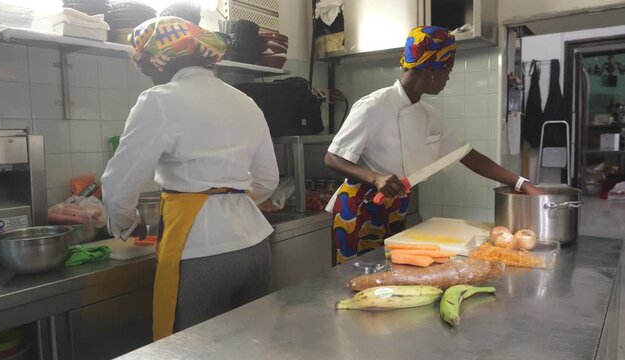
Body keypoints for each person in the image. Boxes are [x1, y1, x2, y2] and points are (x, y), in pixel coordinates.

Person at [101, 17, 279, 340]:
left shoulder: (158, 101)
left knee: (192, 349)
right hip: (255, 246)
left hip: (200, 252)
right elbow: (268, 179)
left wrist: (126, 224)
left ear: (160, 63)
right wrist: (231, 204)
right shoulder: (247, 103)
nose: (149, 78)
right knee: (250, 347)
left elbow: (117, 187)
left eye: (147, 70)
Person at [324, 26, 543, 265]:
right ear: (429, 69)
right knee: (353, 277)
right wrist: (375, 177)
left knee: (389, 273)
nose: (448, 76)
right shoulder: (372, 106)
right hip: (358, 207)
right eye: (447, 70)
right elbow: (332, 158)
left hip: (395, 205)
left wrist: (522, 183)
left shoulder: (430, 115)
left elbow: (468, 156)